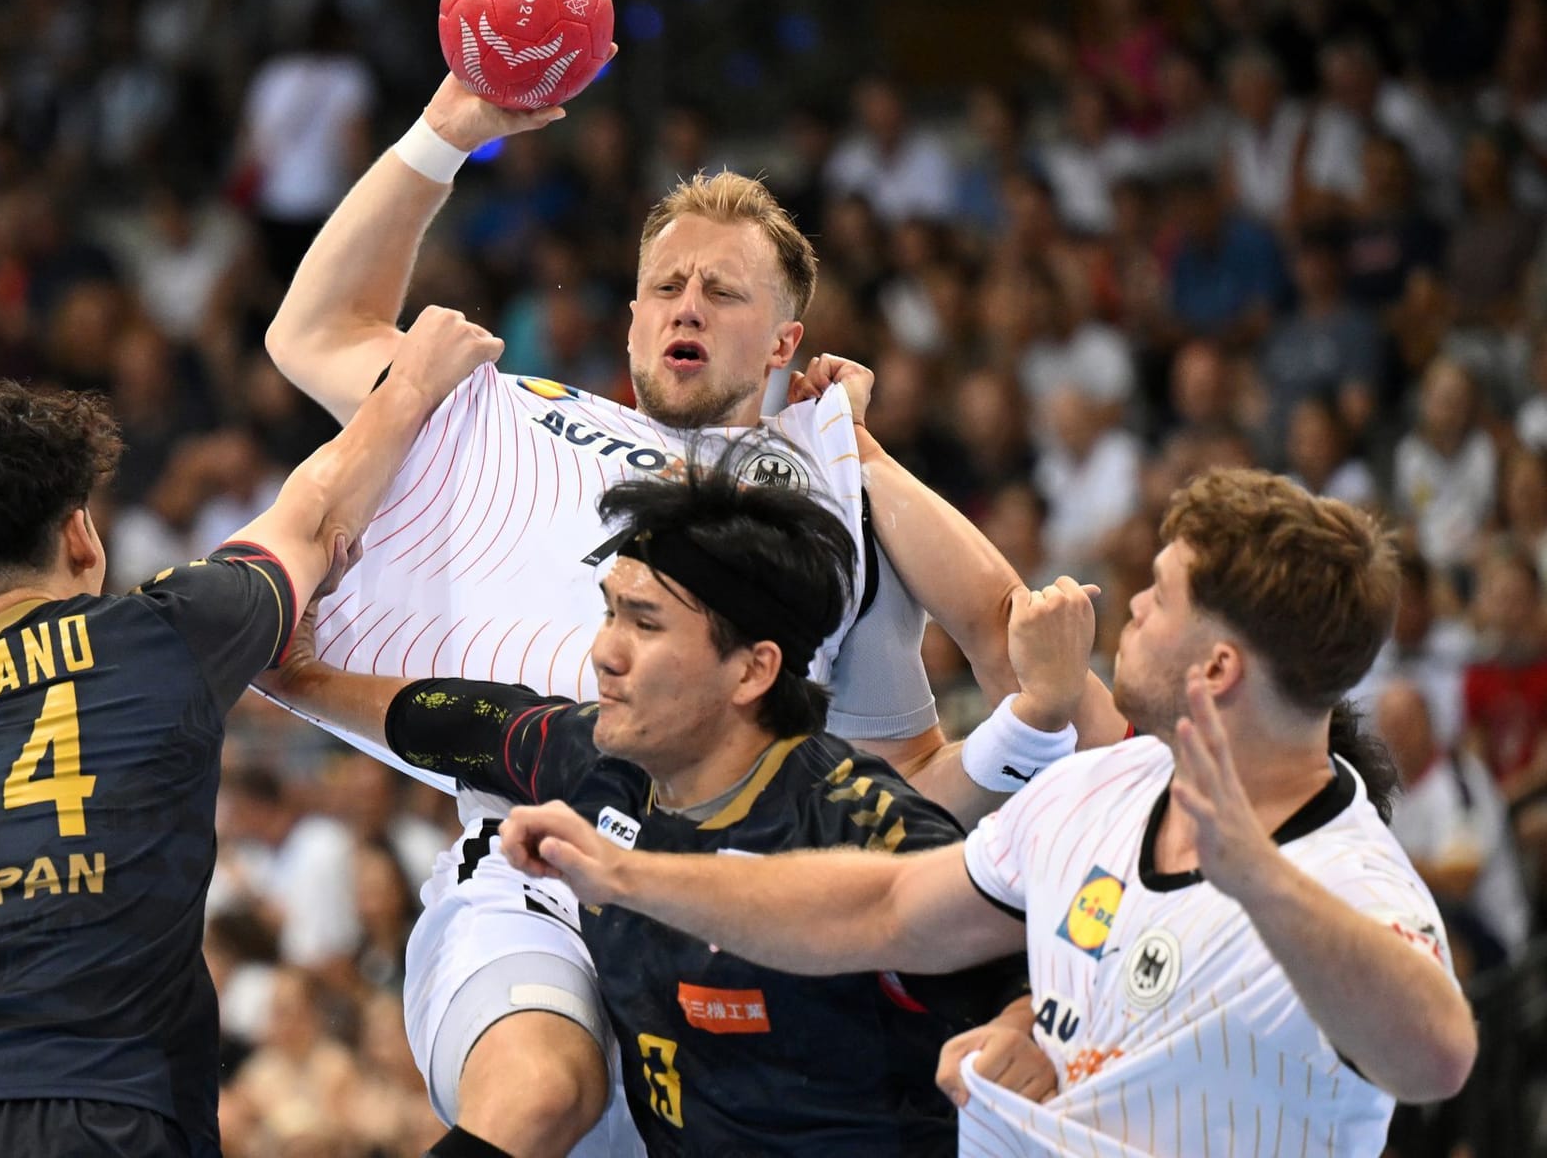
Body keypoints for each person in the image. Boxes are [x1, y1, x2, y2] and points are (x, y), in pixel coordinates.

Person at [264, 76, 1115, 1155]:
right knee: (539, 1093)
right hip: (537, 858)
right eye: (665, 284)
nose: (687, 304)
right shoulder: (510, 413)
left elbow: (931, 734)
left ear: (783, 340)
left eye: (723, 290)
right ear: (628, 321)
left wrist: (854, 448)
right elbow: (312, 330)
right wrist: (449, 133)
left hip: (743, 913)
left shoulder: (828, 508)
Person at [501, 469, 1479, 1155]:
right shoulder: (1103, 789)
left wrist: (1260, 880)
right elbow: (878, 909)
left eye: (1159, 596)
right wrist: (628, 872)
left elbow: (1435, 1055)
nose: (1126, 604)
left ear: (1217, 668)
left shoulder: (1348, 875)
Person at [257, 441, 1075, 1155]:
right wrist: (297, 678)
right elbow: (462, 723)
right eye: (609, 611)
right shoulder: (602, 763)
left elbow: (1046, 966)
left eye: (644, 625)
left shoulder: (861, 825)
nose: (604, 653)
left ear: (753, 670)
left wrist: (1026, 1026)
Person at [0, 305, 502, 1158]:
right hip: (98, 1103)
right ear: (80, 532)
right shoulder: (164, 636)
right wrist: (415, 380)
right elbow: (315, 509)